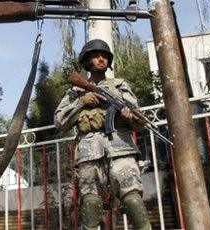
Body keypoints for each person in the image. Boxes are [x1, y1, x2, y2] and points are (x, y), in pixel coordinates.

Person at [54, 39, 151, 230]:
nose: (101, 59)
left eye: (105, 56)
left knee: (132, 195)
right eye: (97, 55)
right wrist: (81, 102)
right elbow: (59, 121)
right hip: (88, 152)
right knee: (90, 201)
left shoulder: (120, 86)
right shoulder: (76, 91)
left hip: (120, 147)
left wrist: (129, 116)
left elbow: (139, 123)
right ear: (86, 61)